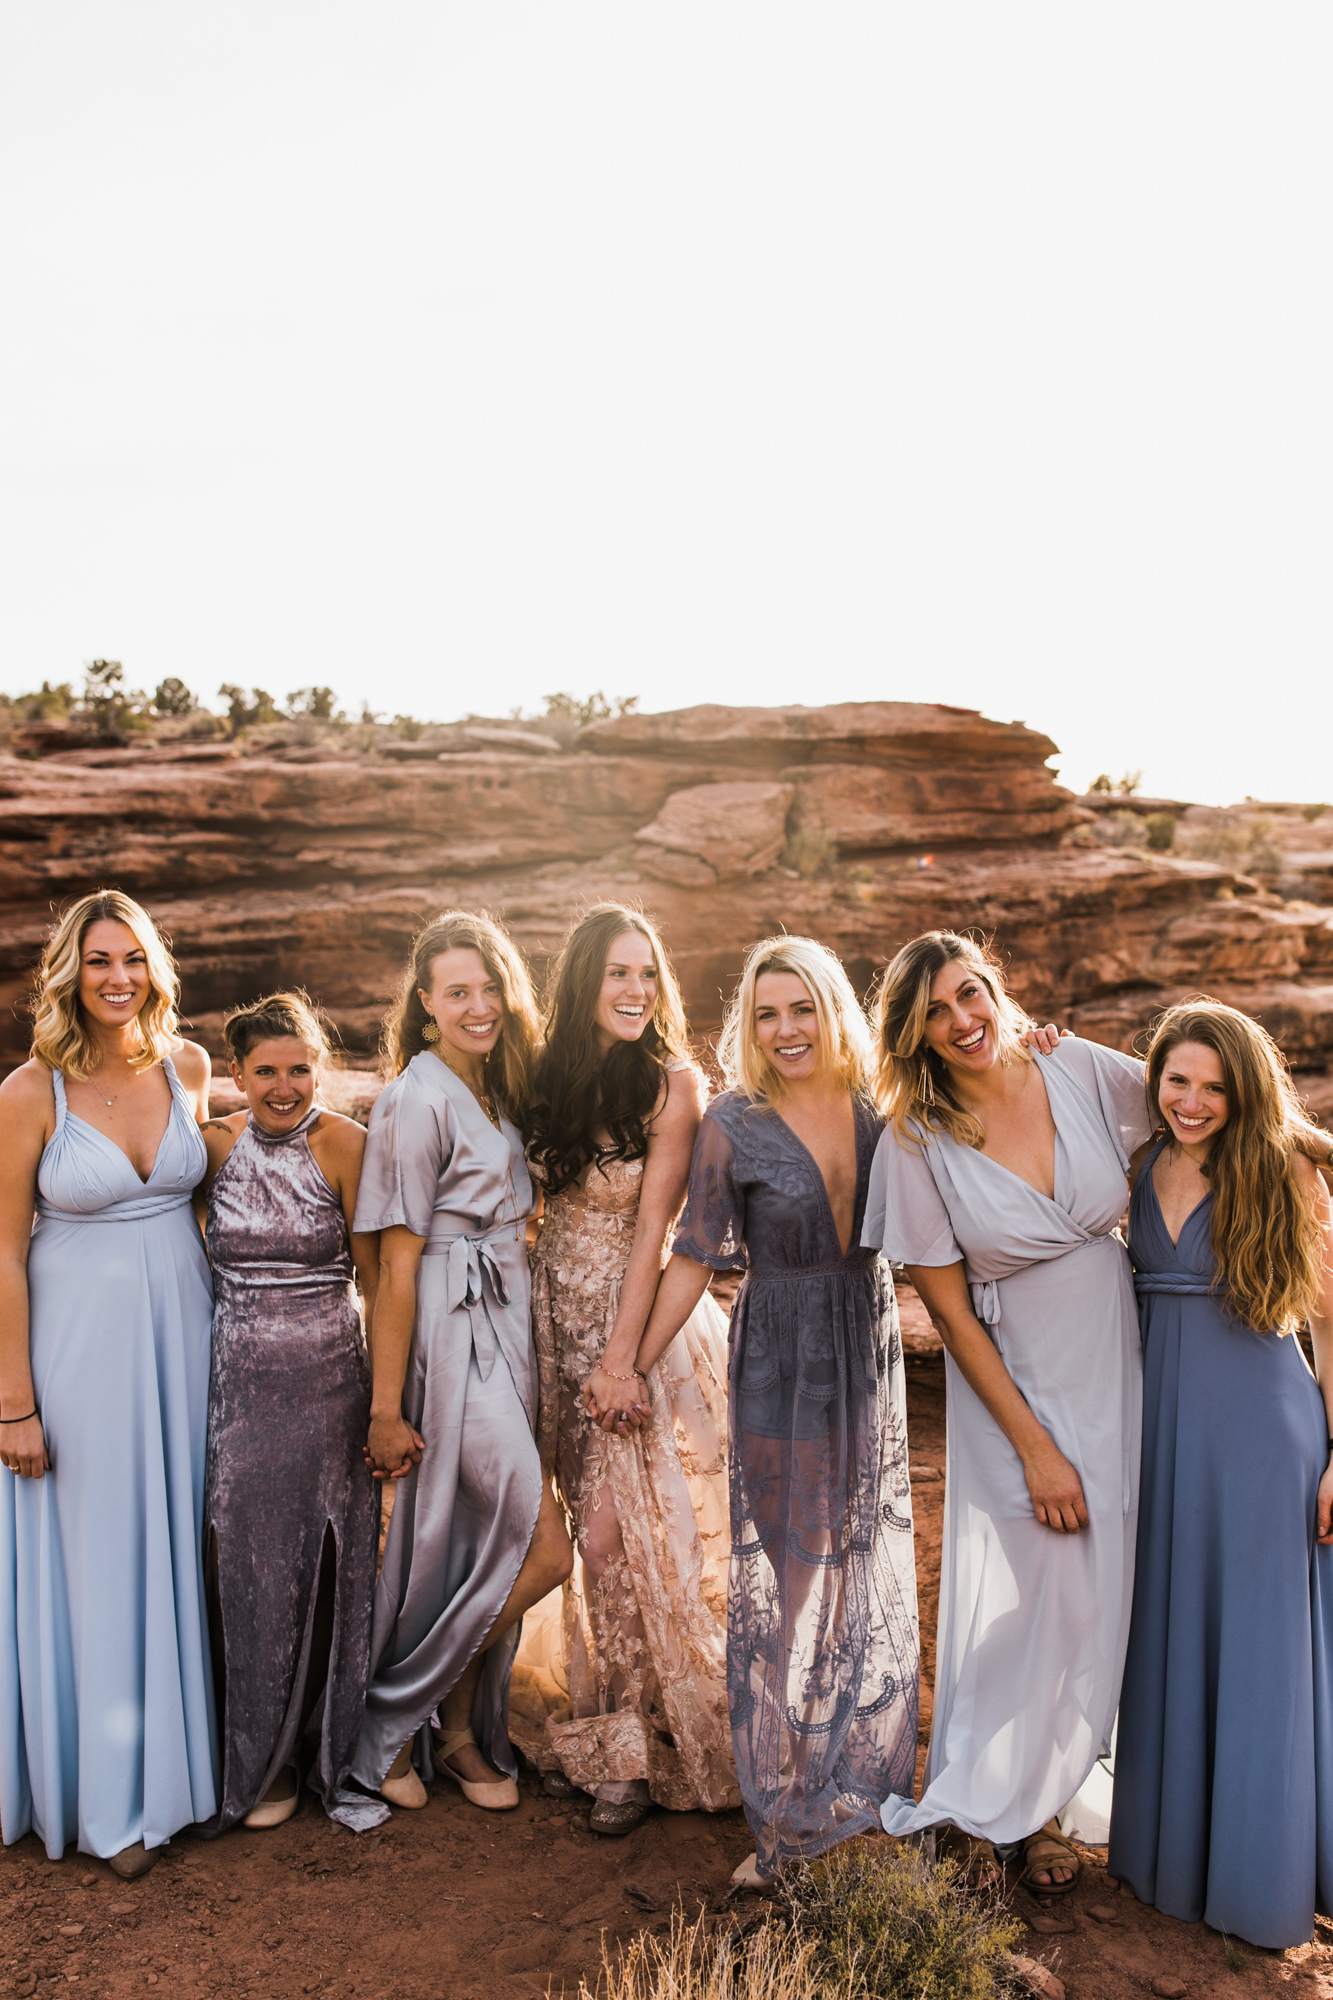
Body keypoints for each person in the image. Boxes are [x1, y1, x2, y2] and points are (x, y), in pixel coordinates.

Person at [864, 930, 1152, 1894]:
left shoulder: (1071, 1065)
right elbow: (945, 1308)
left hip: (1119, 1361)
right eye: (934, 1013)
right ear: (911, 1036)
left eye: (970, 994)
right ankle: (1019, 1808)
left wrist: (1310, 1143)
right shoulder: (915, 1139)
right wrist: (1033, 1446)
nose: (960, 1022)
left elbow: (1201, 1092)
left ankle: (1063, 1792)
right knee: (1048, 1589)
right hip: (1016, 1385)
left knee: (1104, 1590)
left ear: (996, 990)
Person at [633, 935, 920, 1884]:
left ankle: (846, 1779)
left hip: (865, 1348)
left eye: (801, 1007)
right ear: (748, 1027)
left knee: (856, 1565)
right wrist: (630, 1363)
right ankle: (785, 1804)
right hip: (778, 1357)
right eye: (766, 1013)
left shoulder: (887, 1110)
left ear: (833, 1007)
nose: (786, 1029)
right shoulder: (733, 1121)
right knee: (791, 1582)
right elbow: (695, 1253)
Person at [1107, 1001, 1333, 1949]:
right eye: (1176, 1080)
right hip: (1158, 1433)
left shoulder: (1281, 1167)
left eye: (1214, 1085)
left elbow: (1329, 1317)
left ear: (1243, 1089)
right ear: (1153, 1080)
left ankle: (1260, 1879)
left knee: (1257, 1653)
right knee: (1169, 1632)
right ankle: (1172, 1862)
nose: (1193, 1101)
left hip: (1262, 1436)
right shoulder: (1133, 1159)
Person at [0, 890, 217, 1876]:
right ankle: (114, 1803)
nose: (117, 977)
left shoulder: (188, 1067)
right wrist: (14, 1399)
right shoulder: (28, 1090)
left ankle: (180, 1776)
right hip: (75, 1353)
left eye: (132, 958)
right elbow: (3, 1253)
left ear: (154, 968)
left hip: (183, 1340)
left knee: (173, 1542)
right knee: (100, 1559)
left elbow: (225, 1201)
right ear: (69, 974)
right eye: (98, 961)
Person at [350, 911, 572, 1812]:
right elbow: (394, 1265)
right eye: (456, 992)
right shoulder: (417, 1095)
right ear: (426, 1005)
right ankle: (388, 1712)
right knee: (543, 1546)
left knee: (483, 1538)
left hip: (507, 1315)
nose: (477, 1005)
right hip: (449, 1322)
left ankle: (461, 1738)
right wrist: (384, 1403)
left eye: (488, 987)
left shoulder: (497, 1088)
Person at [522, 905, 734, 1835]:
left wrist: (620, 1361)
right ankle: (611, 1726)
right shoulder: (545, 1078)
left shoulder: (672, 1085)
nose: (636, 990)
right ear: (582, 984)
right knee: (582, 1535)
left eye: (648, 973)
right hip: (546, 1317)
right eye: (617, 973)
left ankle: (634, 1761)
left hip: (629, 1325)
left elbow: (657, 1229)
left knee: (614, 1541)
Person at [199, 992, 381, 1832]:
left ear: (321, 1067)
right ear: (235, 1075)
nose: (283, 1086)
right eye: (264, 1071)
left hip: (330, 1385)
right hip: (237, 1388)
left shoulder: (347, 1145)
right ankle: (256, 1757)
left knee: (330, 1566)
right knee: (244, 1565)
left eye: (299, 1068)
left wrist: (389, 1405)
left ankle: (321, 1748)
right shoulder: (209, 1149)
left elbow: (378, 1283)